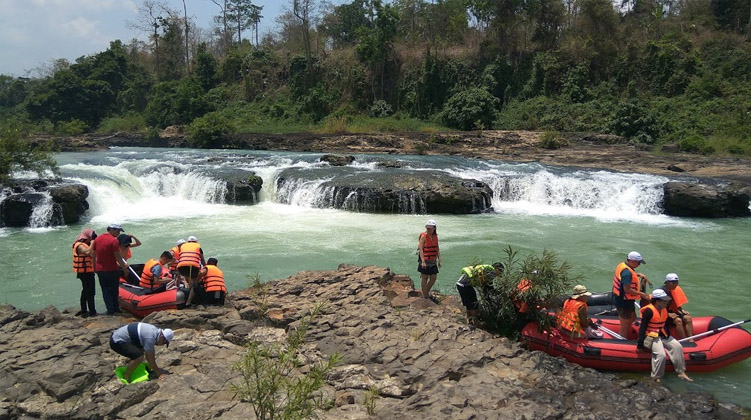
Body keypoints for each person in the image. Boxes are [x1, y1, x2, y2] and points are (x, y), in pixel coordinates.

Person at [637, 288, 693, 383]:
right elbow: (642, 328)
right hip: (651, 335)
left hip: (662, 334)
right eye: (664, 300)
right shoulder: (649, 311)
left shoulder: (664, 310)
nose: (667, 302)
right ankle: (656, 377)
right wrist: (640, 344)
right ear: (657, 301)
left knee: (677, 346)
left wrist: (675, 319)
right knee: (661, 355)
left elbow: (664, 322)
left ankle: (681, 372)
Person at [91, 224, 129, 315]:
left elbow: (93, 254)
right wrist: (125, 268)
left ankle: (110, 309)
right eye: (118, 231)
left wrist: (94, 266)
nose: (119, 233)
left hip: (100, 270)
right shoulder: (114, 241)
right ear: (111, 230)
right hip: (112, 269)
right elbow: (117, 256)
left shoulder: (97, 239)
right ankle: (116, 308)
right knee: (114, 289)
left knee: (105, 290)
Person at [612, 251, 650, 339]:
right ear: (632, 261)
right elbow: (627, 290)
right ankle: (622, 339)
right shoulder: (626, 273)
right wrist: (642, 294)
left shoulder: (623, 265)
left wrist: (637, 274)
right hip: (623, 301)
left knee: (632, 318)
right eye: (639, 262)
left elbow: (625, 277)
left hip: (626, 300)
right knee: (625, 323)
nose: (639, 264)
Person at [73, 229, 98, 317]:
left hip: (88, 271)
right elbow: (87, 252)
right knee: (89, 292)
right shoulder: (79, 245)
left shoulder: (86, 244)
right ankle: (92, 311)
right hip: (84, 273)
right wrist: (93, 242)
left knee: (86, 291)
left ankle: (84, 310)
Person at [663, 273, 695, 341]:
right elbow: (656, 308)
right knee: (678, 321)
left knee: (688, 318)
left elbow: (674, 303)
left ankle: (691, 340)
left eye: (677, 282)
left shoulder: (673, 290)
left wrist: (682, 310)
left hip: (670, 312)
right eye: (674, 283)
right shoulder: (661, 292)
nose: (676, 284)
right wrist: (668, 314)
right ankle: (684, 341)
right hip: (662, 314)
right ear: (667, 282)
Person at [417, 219, 441, 300]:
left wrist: (439, 259)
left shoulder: (435, 236)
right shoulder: (423, 236)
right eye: (427, 228)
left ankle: (425, 292)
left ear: (434, 228)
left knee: (433, 277)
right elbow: (420, 249)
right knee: (424, 277)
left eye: (430, 228)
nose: (428, 229)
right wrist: (423, 261)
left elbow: (437, 248)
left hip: (433, 260)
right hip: (425, 259)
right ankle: (425, 295)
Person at [179, 236, 206, 305]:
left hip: (181, 266)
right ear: (196, 242)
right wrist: (206, 267)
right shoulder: (198, 247)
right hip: (192, 266)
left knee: (188, 281)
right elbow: (202, 260)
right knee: (194, 283)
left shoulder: (183, 246)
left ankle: (186, 295)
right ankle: (189, 302)